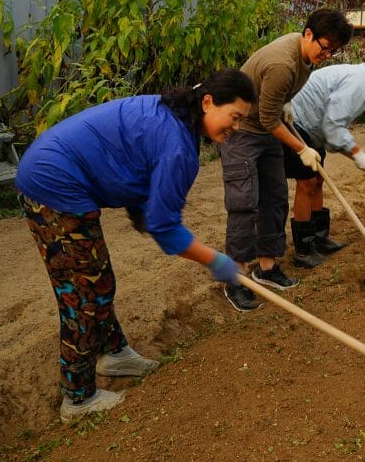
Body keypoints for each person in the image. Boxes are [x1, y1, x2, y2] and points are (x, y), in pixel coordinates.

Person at [15, 69, 256, 422]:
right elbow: (164, 228)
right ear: (207, 102)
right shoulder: (178, 147)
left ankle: (113, 353)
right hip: (53, 185)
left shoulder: (172, 115)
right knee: (83, 294)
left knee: (97, 280)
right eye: (234, 117)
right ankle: (78, 398)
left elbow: (134, 164)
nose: (236, 128)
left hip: (55, 172)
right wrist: (217, 261)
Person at [220, 9, 353, 313]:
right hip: (239, 129)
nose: (327, 54)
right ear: (308, 34)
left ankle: (266, 268)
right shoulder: (283, 63)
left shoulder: (304, 55)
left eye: (334, 51)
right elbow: (268, 119)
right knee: (244, 203)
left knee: (276, 197)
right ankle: (235, 280)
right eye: (325, 46)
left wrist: (285, 101)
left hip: (264, 126)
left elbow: (271, 108)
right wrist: (301, 148)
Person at [287, 44, 365, 251]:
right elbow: (334, 125)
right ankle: (304, 247)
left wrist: (353, 153)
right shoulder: (360, 83)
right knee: (307, 181)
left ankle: (319, 237)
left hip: (314, 129)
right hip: (298, 123)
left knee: (318, 179)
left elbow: (334, 128)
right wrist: (357, 153)